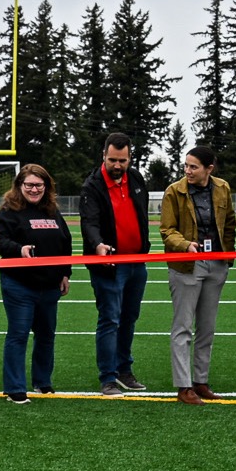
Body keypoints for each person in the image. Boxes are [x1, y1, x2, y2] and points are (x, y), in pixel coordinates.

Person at [160, 145, 235, 404]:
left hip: (216, 263)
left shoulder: (222, 188)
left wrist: (227, 256)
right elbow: (167, 230)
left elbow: (229, 224)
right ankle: (183, 386)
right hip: (186, 265)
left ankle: (200, 381)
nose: (188, 171)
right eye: (186, 166)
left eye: (194, 166)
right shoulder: (174, 191)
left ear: (209, 169)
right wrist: (185, 246)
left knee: (207, 327)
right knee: (183, 327)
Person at [80, 132, 153, 395]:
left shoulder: (135, 178)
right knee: (110, 318)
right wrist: (98, 244)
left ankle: (124, 371)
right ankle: (107, 377)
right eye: (113, 160)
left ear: (130, 158)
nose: (118, 166)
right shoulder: (92, 185)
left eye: (123, 160)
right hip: (109, 265)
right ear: (103, 155)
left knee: (129, 318)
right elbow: (90, 222)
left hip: (136, 262)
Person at [0, 164, 72, 404]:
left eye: (39, 185)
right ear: (19, 186)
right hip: (19, 285)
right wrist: (19, 249)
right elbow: (0, 241)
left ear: (46, 187)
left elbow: (65, 242)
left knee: (46, 335)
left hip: (49, 286)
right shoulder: (9, 211)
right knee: (18, 334)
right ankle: (15, 387)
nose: (34, 189)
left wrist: (65, 273)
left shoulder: (52, 211)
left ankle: (42, 381)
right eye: (29, 185)